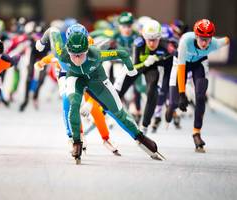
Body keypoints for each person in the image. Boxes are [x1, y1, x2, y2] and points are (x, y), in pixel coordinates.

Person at [35, 25, 164, 164]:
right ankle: (75, 141)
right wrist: (41, 43)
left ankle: (139, 137)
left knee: (117, 111)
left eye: (82, 54)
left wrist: (132, 70)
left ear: (88, 47)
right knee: (71, 103)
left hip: (96, 78)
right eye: (74, 54)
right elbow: (53, 30)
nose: (78, 58)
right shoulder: (60, 52)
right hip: (73, 77)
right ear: (67, 48)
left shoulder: (95, 53)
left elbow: (122, 54)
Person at [167, 19, 230, 152]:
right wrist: (182, 94)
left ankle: (196, 133)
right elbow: (182, 68)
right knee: (174, 102)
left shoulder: (214, 43)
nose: (204, 43)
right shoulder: (185, 41)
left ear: (211, 38)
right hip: (181, 63)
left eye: (207, 39)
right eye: (201, 38)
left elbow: (226, 40)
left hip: (199, 64)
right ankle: (170, 106)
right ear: (196, 36)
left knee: (200, 97)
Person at [114, 19, 173, 134]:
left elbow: (168, 75)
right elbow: (134, 68)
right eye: (148, 40)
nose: (151, 43)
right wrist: (146, 62)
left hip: (153, 68)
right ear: (143, 37)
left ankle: (145, 125)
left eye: (154, 40)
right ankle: (105, 110)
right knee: (120, 88)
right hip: (139, 66)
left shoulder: (166, 46)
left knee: (152, 91)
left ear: (160, 37)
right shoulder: (138, 43)